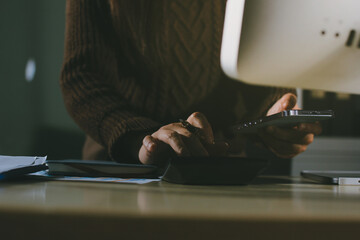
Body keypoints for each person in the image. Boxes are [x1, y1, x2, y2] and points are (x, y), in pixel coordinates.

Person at [60, 0, 322, 168]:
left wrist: (271, 116)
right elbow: (82, 76)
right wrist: (142, 139)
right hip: (121, 166)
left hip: (219, 170)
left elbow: (256, 67)